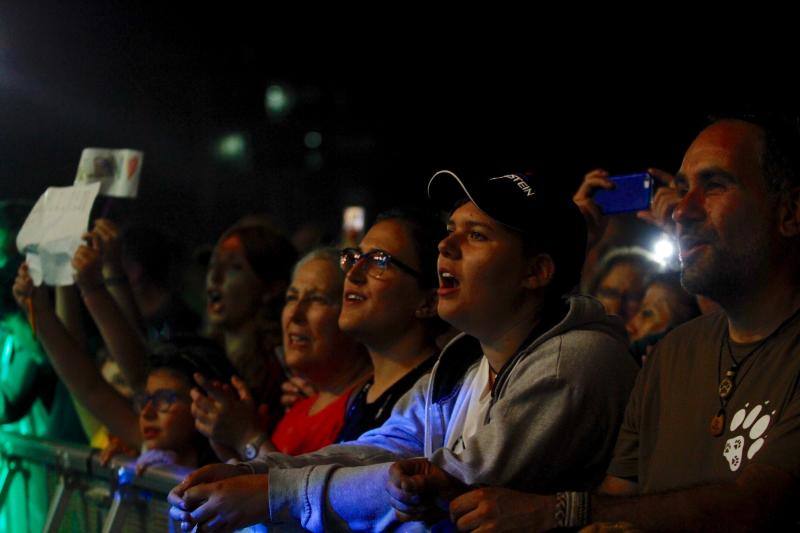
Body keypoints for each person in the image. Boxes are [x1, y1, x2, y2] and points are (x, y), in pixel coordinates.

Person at [167, 169, 637, 531]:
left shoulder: (572, 361)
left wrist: (271, 494)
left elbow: (451, 481)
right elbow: (377, 449)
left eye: (476, 235)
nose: (446, 246)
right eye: (450, 229)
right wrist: (249, 471)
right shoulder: (468, 363)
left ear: (536, 272)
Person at [445, 114, 800, 531]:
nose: (681, 210)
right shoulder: (672, 356)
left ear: (790, 212)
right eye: (682, 190)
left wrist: (556, 511)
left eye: (715, 185)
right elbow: (617, 505)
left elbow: (758, 505)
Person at [191, 248, 371, 459]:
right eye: (292, 298)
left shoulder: (368, 407)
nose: (295, 314)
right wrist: (232, 448)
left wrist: (247, 437)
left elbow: (304, 491)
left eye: (317, 299)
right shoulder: (300, 409)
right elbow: (265, 488)